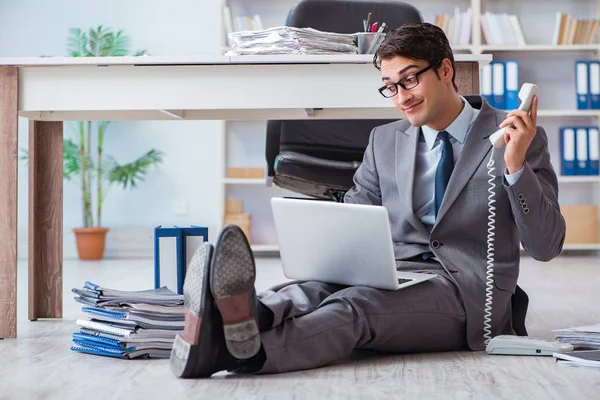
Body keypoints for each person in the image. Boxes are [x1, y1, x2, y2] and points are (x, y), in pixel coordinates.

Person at [169, 22, 566, 378]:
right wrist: (326, 252)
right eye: (390, 86)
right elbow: (356, 219)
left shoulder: (517, 137)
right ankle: (243, 315)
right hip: (392, 271)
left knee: (355, 307)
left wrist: (515, 167)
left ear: (446, 70)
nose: (401, 97)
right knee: (312, 289)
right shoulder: (385, 140)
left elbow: (546, 246)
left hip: (464, 294)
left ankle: (241, 354)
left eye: (409, 81)